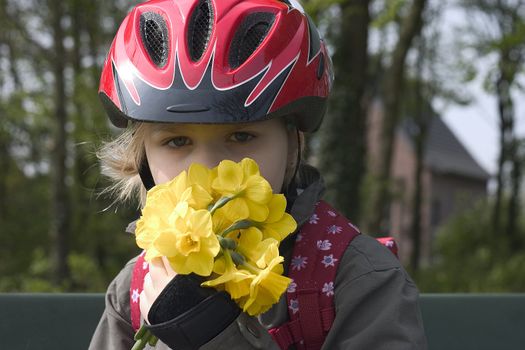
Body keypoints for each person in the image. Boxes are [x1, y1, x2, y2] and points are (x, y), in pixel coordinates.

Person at [89, 0, 427, 349]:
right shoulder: (134, 286)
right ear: (141, 160)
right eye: (177, 141)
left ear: (293, 145)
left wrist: (211, 337)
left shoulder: (357, 279)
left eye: (241, 136)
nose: (208, 168)